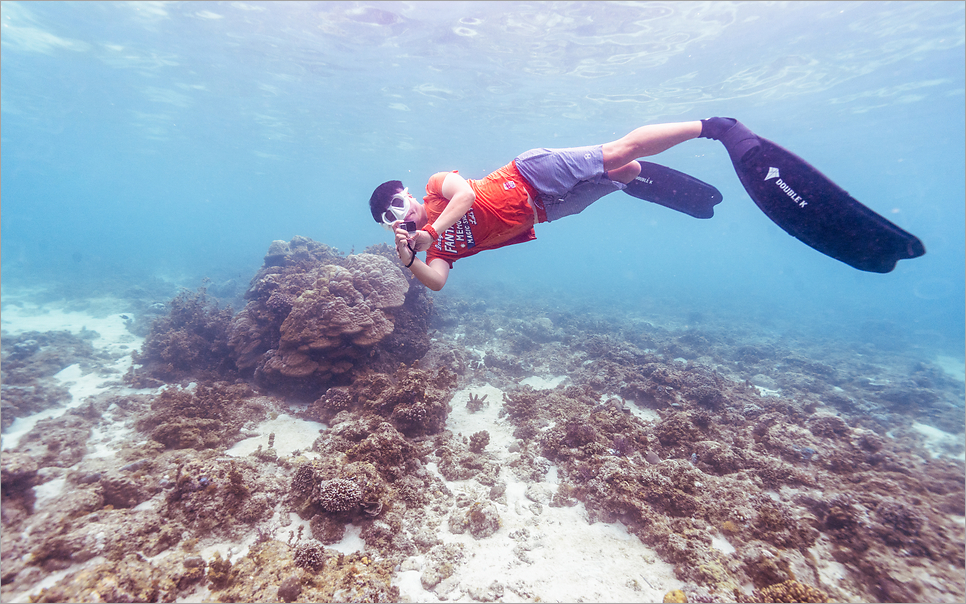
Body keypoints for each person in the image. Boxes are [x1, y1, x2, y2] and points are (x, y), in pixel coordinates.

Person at [369, 116, 924, 284]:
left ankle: (714, 127)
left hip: (527, 174)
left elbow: (464, 192)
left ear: (407, 191)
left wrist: (426, 231)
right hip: (546, 211)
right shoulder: (430, 246)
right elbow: (437, 282)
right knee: (627, 172)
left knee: (618, 151)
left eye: (399, 200)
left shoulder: (437, 188)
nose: (403, 211)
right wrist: (412, 259)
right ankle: (634, 178)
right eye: (392, 215)